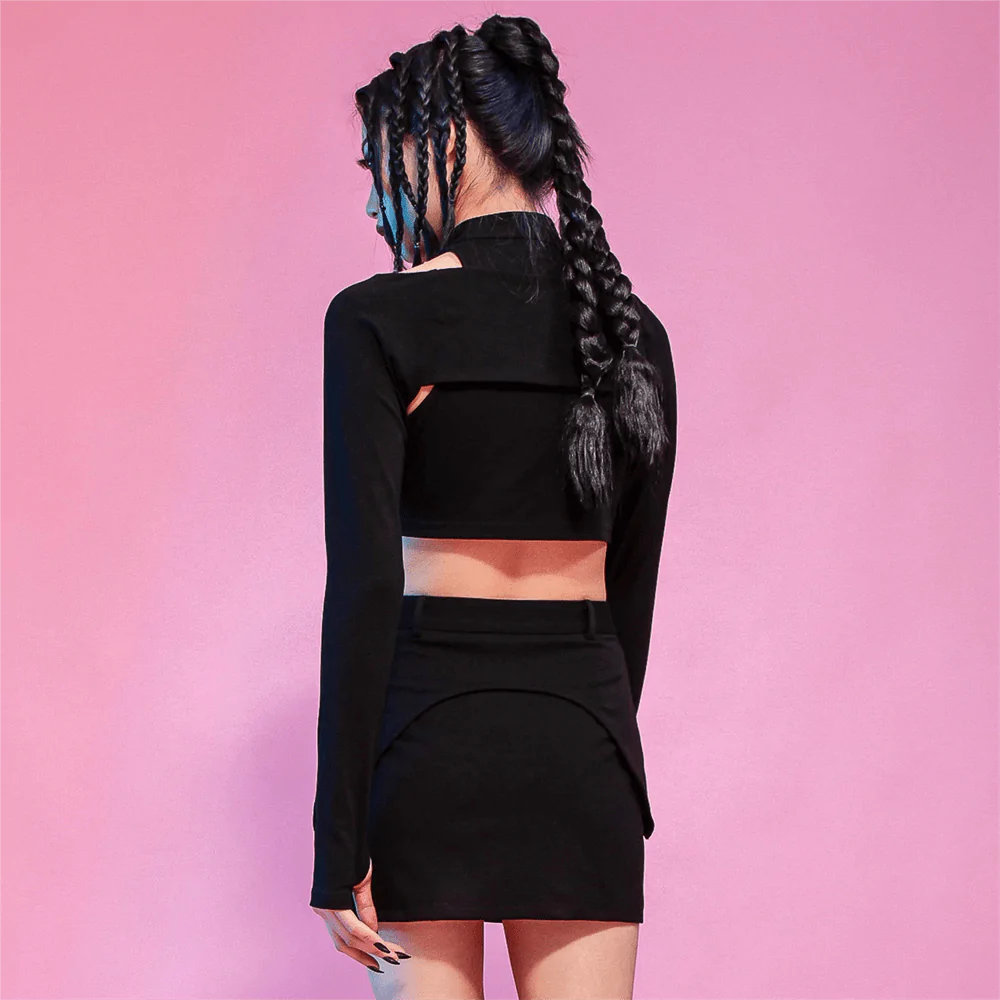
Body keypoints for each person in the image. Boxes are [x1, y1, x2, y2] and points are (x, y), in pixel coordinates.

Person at [310, 15, 678, 1000]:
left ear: (457, 138)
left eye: (380, 159)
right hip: (583, 741)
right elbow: (634, 584)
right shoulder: (632, 332)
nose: (376, 193)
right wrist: (597, 741)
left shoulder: (377, 318)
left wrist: (337, 842)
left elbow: (364, 586)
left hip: (427, 741)